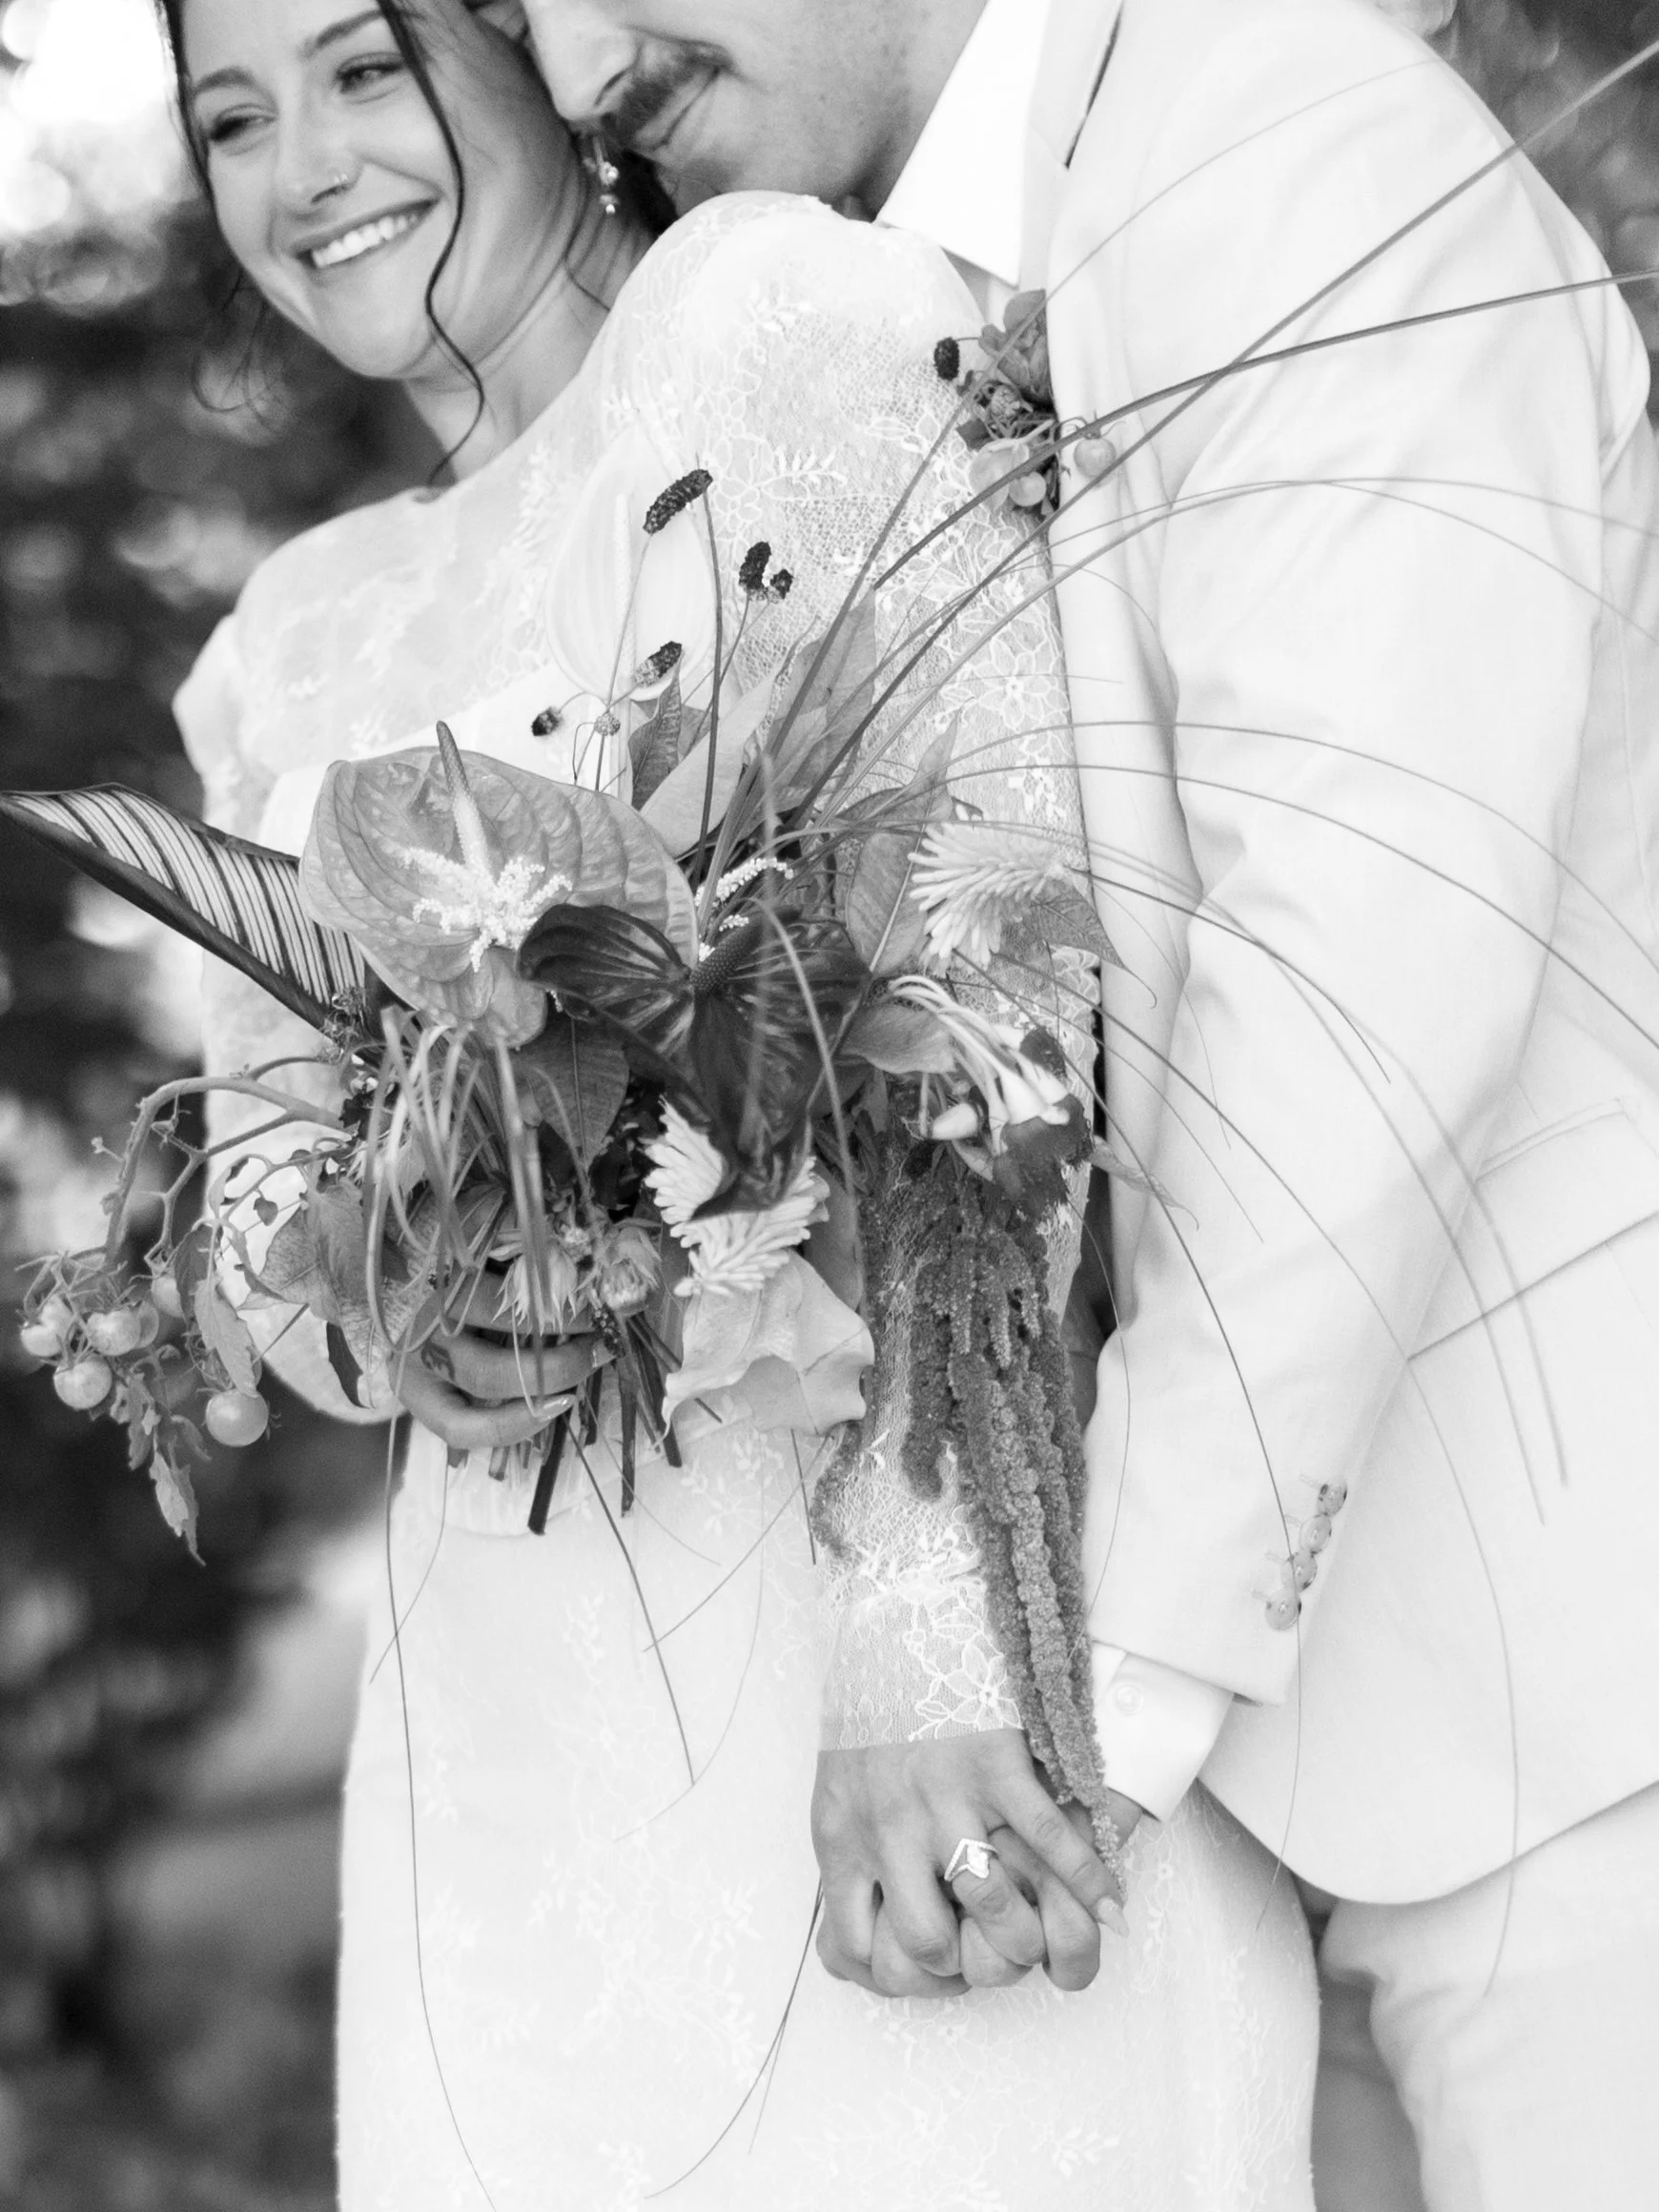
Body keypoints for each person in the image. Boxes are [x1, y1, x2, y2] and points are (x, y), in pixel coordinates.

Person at [162, 0, 1319, 2202]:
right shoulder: (289, 631)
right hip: (507, 1750)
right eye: (232, 116)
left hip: (878, 1653)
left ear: (520, 44)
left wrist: (926, 1651)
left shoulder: (771, 312)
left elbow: (991, 968)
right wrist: (387, 1301)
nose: (304, 164)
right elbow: (265, 1214)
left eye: (363, 66)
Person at [525, 1, 1659, 2207]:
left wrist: (1073, 1689)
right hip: (1278, 1812)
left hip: (1566, 1706)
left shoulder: (1293, 140)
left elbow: (1362, 980)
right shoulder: (934, 284)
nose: (579, 72)